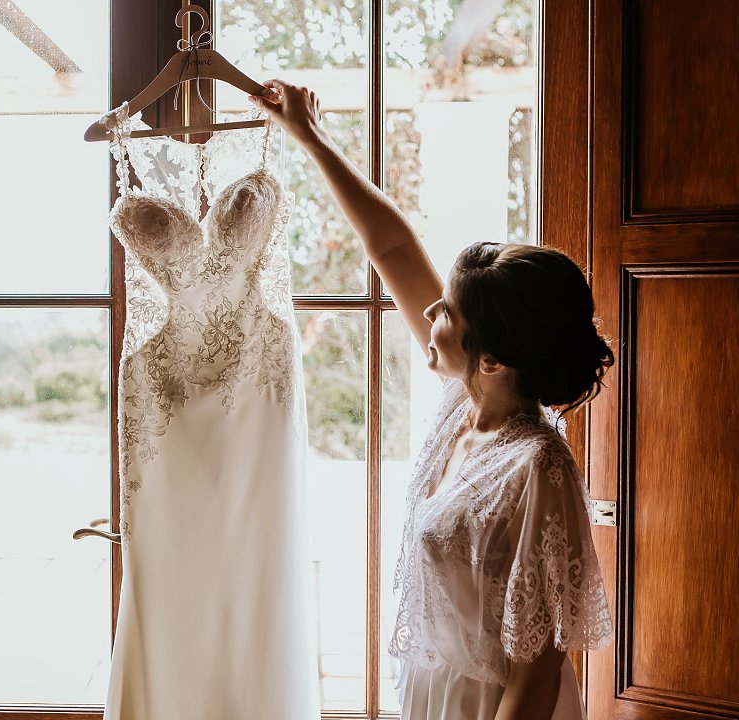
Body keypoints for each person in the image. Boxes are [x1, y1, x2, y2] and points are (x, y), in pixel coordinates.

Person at [249, 80, 616, 720]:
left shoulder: (538, 466)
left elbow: (539, 668)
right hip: (432, 696)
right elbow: (390, 248)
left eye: (446, 310)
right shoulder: (463, 400)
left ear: (494, 358)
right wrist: (311, 138)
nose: (429, 311)